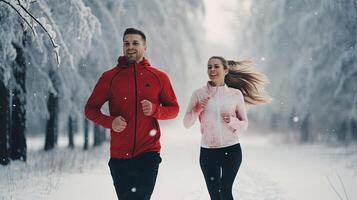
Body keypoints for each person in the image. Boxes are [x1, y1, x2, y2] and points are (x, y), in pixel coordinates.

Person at [84, 28, 179, 200]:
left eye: (135, 43)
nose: (130, 47)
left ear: (145, 47)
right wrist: (110, 122)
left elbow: (174, 109)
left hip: (149, 153)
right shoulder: (110, 77)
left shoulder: (159, 77)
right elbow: (90, 109)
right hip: (120, 155)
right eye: (126, 43)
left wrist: (156, 110)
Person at [183, 56, 271, 200]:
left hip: (231, 150)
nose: (212, 70)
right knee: (215, 196)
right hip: (208, 152)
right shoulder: (199, 94)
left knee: (224, 190)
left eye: (216, 66)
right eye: (209, 67)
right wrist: (199, 108)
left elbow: (244, 125)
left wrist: (232, 121)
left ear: (225, 70)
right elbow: (187, 123)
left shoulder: (235, 95)